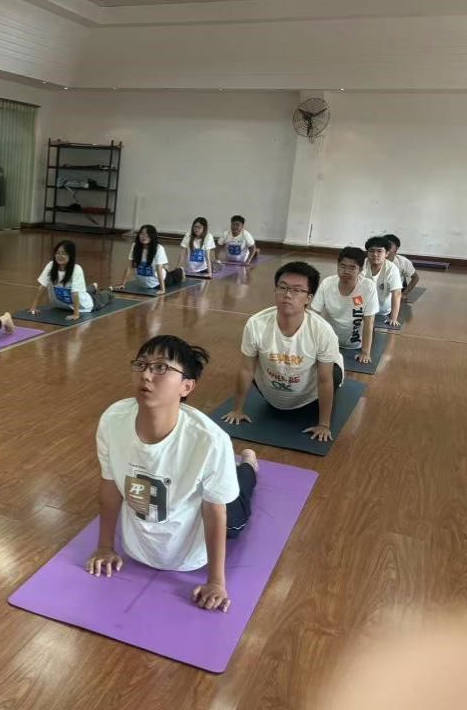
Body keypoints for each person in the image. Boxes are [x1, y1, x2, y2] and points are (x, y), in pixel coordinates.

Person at [85, 335, 260, 613]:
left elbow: (214, 510)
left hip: (201, 528)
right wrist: (105, 546)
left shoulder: (211, 441)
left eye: (161, 368)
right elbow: (110, 485)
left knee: (236, 511)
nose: (146, 374)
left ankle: (249, 464)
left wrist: (216, 581)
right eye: (141, 364)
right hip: (142, 544)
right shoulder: (113, 420)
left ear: (186, 386)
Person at [222, 262, 344, 442]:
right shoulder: (256, 324)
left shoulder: (322, 331)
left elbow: (324, 379)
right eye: (283, 287)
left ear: (309, 298)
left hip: (310, 397)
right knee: (255, 363)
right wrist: (237, 410)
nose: (287, 294)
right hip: (273, 389)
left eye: (296, 290)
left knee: (333, 372)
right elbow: (246, 370)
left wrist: (324, 424)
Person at [311, 247, 379, 364]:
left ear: (361, 269)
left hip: (355, 344)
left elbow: (369, 322)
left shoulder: (368, 287)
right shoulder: (327, 283)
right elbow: (313, 315)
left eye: (352, 268)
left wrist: (365, 352)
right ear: (337, 265)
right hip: (329, 342)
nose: (346, 271)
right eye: (342, 266)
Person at [28, 240, 113, 320]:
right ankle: (93, 286)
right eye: (57, 253)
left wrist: (76, 314)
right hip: (62, 305)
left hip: (84, 304)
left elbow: (75, 293)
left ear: (70, 256)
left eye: (64, 254)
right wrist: (33, 307)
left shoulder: (76, 269)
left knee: (104, 296)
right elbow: (42, 287)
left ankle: (109, 289)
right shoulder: (51, 265)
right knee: (83, 290)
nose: (60, 256)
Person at [113, 224, 185, 294]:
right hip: (143, 283)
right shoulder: (135, 246)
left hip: (158, 282)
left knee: (174, 277)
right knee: (163, 269)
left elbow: (158, 269)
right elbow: (129, 267)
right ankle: (165, 268)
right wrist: (123, 284)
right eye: (142, 234)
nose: (144, 237)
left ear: (152, 236)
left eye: (147, 234)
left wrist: (162, 289)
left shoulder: (159, 248)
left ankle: (180, 270)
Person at [363, 236, 403, 326]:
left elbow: (397, 293)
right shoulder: (362, 265)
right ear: (367, 253)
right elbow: (355, 289)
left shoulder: (392, 269)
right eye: (371, 251)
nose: (375, 254)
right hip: (363, 309)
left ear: (386, 253)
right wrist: (357, 309)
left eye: (379, 251)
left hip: (382, 311)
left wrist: (393, 318)